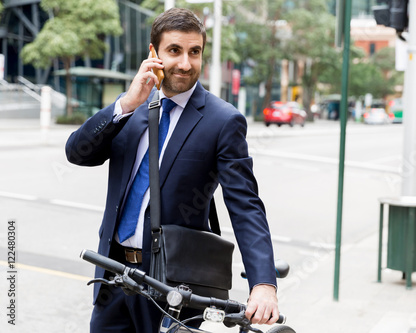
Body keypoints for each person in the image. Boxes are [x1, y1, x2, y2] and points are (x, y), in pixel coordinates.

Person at [66, 7, 279, 333]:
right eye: (175, 51)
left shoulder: (222, 121)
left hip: (176, 286)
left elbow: (245, 205)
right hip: (114, 276)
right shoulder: (133, 109)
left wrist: (263, 283)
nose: (185, 63)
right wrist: (124, 105)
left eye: (195, 52)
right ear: (154, 54)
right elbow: (77, 153)